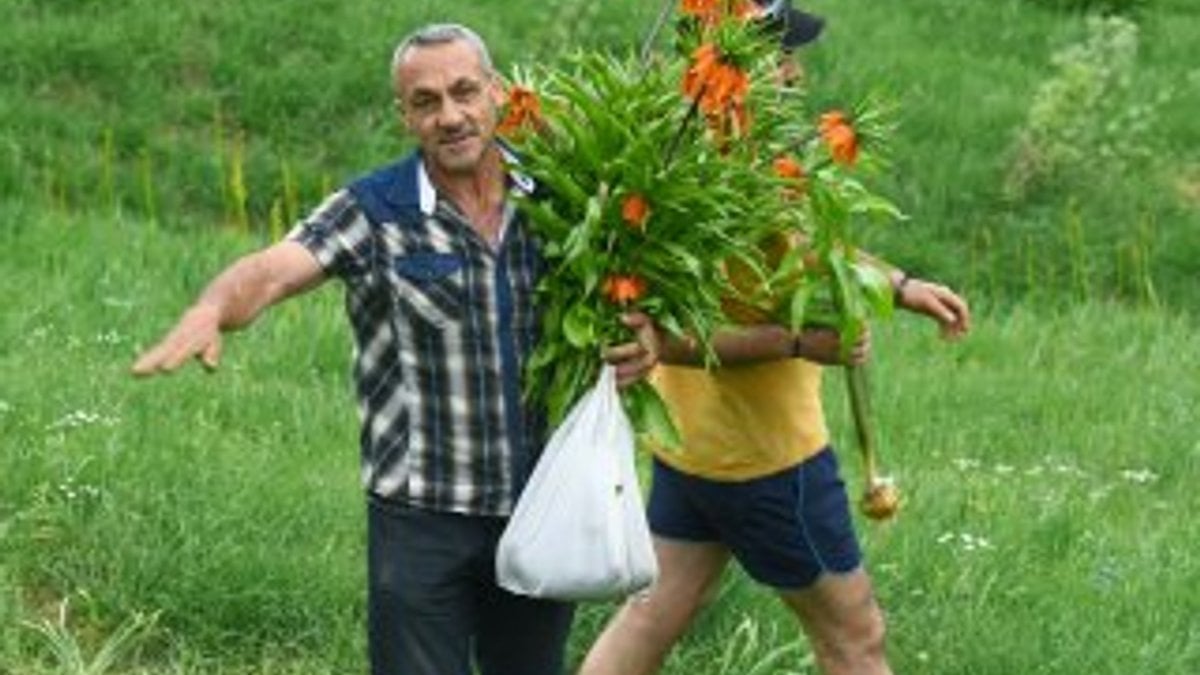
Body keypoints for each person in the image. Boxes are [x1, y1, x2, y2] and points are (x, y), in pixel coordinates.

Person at [131, 23, 660, 675]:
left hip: (538, 504)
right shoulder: (375, 210)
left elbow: (625, 305)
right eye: (426, 101)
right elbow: (272, 270)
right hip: (420, 520)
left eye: (465, 92)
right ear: (404, 115)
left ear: (497, 92)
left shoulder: (565, 200)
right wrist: (211, 306)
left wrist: (643, 340)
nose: (451, 116)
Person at [579, 3, 972, 675]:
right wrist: (797, 344)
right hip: (767, 458)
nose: (793, 69)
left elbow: (811, 251)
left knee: (653, 615)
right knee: (855, 636)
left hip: (692, 447)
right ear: (728, 64)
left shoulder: (697, 155)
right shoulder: (723, 178)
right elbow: (667, 335)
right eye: (777, 54)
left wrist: (900, 284)